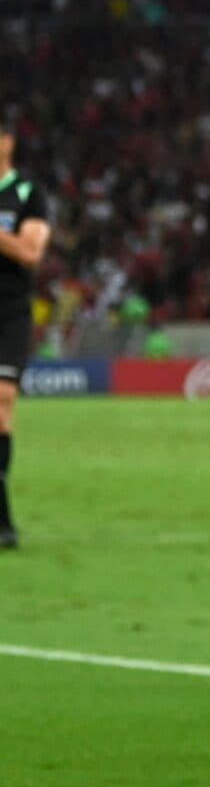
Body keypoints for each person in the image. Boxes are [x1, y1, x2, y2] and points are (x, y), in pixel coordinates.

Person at [0, 114, 52, 551]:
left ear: (7, 143)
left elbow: (30, 252)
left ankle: (2, 519)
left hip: (9, 311)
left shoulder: (28, 195)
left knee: (3, 399)